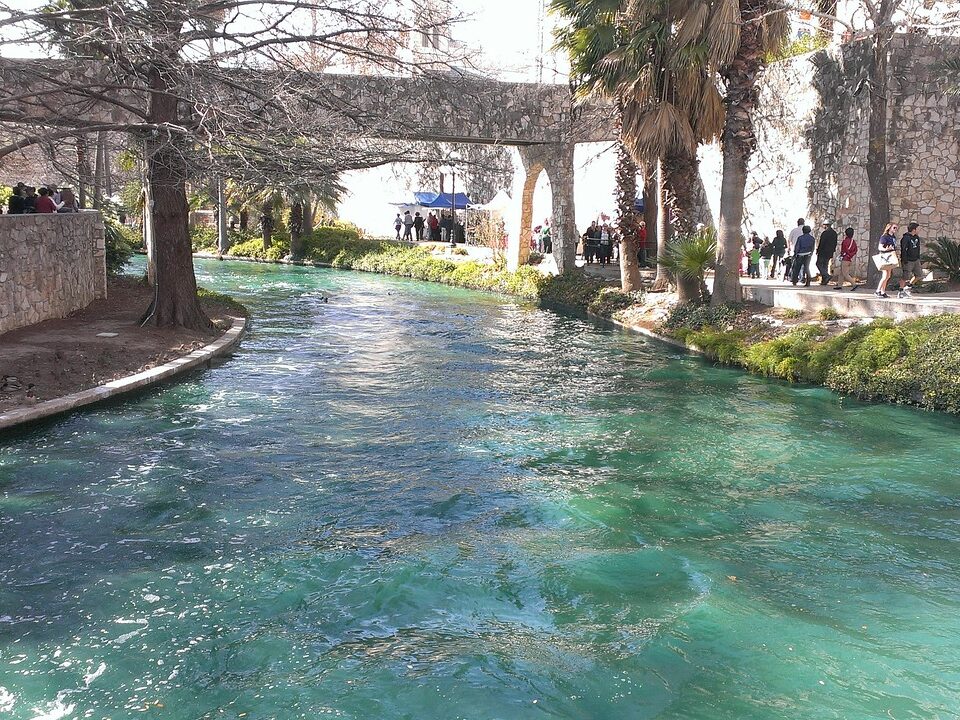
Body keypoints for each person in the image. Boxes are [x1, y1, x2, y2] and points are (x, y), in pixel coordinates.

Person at [898, 222, 922, 298]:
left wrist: (918, 257)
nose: (919, 230)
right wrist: (904, 260)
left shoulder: (917, 237)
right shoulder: (905, 238)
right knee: (905, 276)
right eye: (918, 229)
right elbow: (903, 249)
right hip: (908, 260)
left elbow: (918, 248)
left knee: (919, 275)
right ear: (914, 229)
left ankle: (908, 287)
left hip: (916, 260)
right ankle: (900, 291)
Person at [875, 222, 899, 298]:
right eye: (894, 228)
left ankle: (883, 291)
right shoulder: (884, 237)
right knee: (885, 275)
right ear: (889, 228)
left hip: (890, 257)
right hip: (885, 257)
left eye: (896, 228)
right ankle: (878, 290)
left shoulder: (893, 237)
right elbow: (880, 247)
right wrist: (887, 249)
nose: (895, 229)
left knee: (888, 276)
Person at [816, 221, 838, 285]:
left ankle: (826, 275)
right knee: (825, 265)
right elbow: (835, 243)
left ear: (827, 226)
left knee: (818, 264)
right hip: (829, 252)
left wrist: (818, 250)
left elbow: (821, 243)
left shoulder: (825, 233)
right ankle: (824, 280)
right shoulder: (834, 233)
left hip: (823, 251)